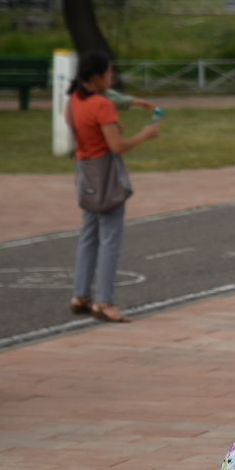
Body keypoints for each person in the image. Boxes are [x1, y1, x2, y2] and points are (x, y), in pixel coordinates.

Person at [66, 51, 160, 323]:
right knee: (110, 240)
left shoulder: (74, 101)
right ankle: (104, 301)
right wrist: (145, 134)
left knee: (88, 235)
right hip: (105, 175)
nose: (111, 77)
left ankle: (81, 295)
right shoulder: (101, 105)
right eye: (108, 72)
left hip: (85, 174)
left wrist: (133, 103)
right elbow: (116, 146)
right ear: (97, 76)